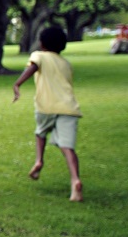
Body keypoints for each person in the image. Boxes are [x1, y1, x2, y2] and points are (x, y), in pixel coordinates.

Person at [12, 26, 83, 201]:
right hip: (69, 108)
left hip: (46, 106)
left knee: (40, 133)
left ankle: (39, 160)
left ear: (41, 43)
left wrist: (17, 84)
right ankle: (75, 180)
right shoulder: (66, 64)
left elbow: (33, 67)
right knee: (68, 147)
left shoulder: (38, 56)